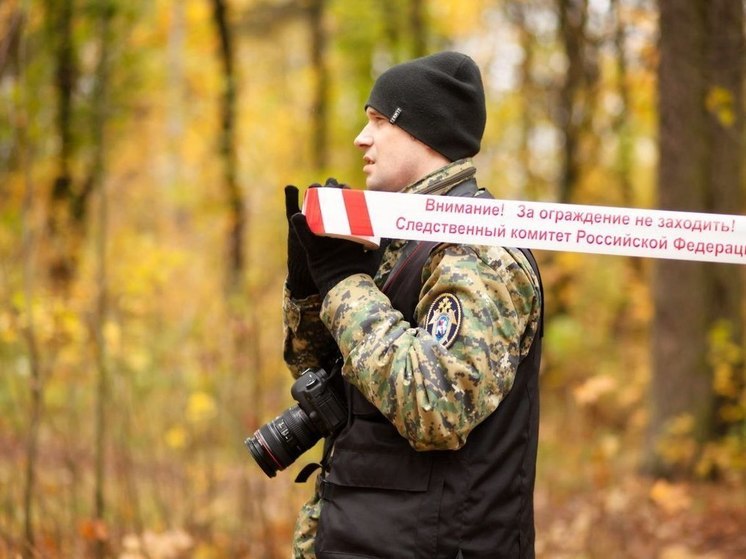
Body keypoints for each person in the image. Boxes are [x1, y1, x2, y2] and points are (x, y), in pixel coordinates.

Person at [282, 51, 543, 559]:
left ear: (424, 133)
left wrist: (342, 281)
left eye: (379, 122)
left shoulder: (478, 250)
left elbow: (435, 405)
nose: (363, 138)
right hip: (363, 536)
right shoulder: (397, 238)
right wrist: (308, 287)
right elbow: (322, 376)